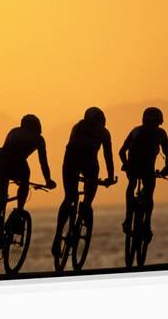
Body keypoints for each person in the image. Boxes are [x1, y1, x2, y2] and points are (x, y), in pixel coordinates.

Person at [52, 107, 116, 256]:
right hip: (87, 164)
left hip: (71, 163)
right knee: (86, 196)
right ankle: (86, 208)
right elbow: (107, 155)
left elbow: (72, 150)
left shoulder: (77, 127)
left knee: (69, 198)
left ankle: (57, 238)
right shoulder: (103, 132)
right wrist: (111, 177)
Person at [119, 107, 168, 242]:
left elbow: (121, 151)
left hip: (133, 167)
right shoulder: (161, 133)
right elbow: (167, 153)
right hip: (147, 169)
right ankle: (147, 225)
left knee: (131, 185)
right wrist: (167, 167)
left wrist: (125, 164)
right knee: (148, 194)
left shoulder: (136, 130)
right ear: (160, 121)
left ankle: (127, 218)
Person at [0, 114, 56, 217]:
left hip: (0, 164)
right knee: (25, 177)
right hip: (18, 165)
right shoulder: (38, 139)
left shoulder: (14, 131)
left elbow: (5, 151)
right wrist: (48, 180)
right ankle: (19, 210)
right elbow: (43, 162)